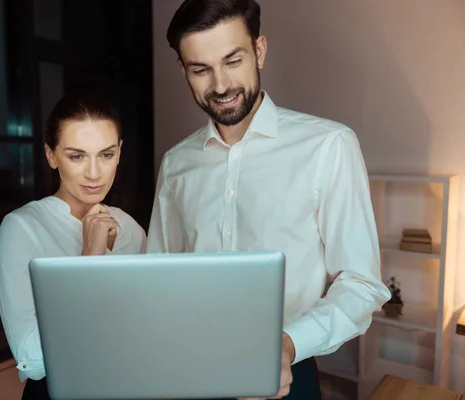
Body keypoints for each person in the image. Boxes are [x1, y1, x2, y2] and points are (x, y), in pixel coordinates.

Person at [147, 0, 391, 399]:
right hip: (191, 373)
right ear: (182, 70)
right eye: (200, 69)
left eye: (233, 60)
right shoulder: (176, 164)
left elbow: (362, 283)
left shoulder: (329, 146)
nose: (221, 85)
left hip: (288, 376)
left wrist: (288, 344)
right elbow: (158, 277)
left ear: (259, 50)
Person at [0, 91, 146, 399]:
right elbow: (33, 360)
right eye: (77, 156)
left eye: (106, 154)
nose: (94, 173)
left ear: (119, 151)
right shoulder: (22, 228)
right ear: (51, 155)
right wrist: (89, 258)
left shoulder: (130, 229)